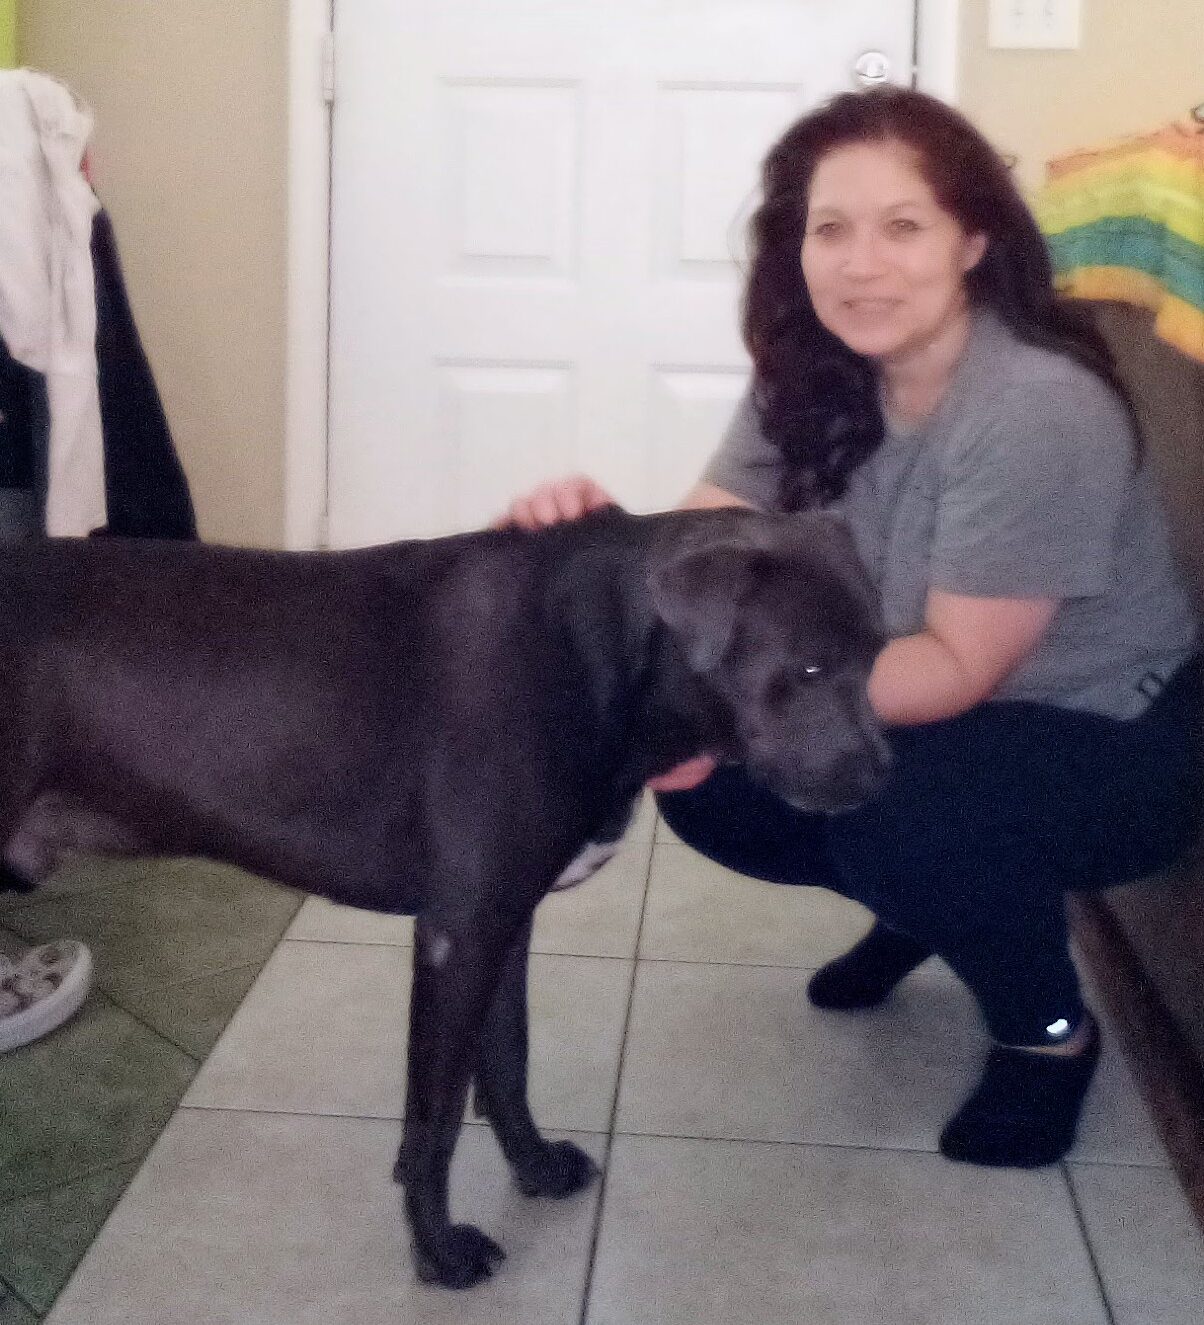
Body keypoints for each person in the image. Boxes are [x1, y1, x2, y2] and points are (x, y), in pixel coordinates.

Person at [498, 86, 1203, 1168]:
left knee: (896, 817)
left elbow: (959, 669)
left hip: (1110, 730)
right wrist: (580, 547)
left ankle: (1045, 1031)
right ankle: (923, 904)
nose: (859, 263)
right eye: (829, 228)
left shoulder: (1035, 407)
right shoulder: (811, 376)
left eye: (901, 226)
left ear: (973, 239)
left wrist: (723, 712)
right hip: (933, 703)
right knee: (726, 803)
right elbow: (691, 551)